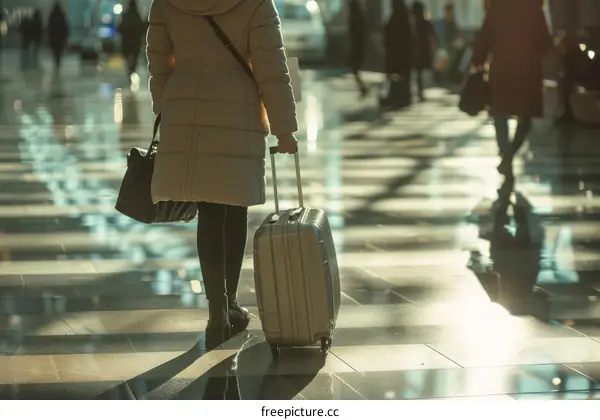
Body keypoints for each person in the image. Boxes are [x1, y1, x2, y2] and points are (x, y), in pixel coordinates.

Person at [146, 0, 298, 350]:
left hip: (187, 110)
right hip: (239, 110)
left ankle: (218, 308)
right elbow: (271, 68)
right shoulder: (256, 3)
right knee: (234, 203)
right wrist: (285, 130)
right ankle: (227, 305)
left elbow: (157, 60)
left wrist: (165, 102)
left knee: (210, 210)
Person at [472, 0, 552, 177]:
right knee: (526, 115)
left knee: (500, 112)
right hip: (527, 68)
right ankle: (509, 155)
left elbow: (485, 37)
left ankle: (505, 152)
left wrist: (478, 59)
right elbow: (544, 43)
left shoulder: (497, 6)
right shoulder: (533, 8)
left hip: (502, 66)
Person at [380, 0, 412, 109]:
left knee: (396, 77)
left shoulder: (394, 19)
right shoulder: (406, 18)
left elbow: (388, 38)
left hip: (396, 55)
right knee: (403, 77)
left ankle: (397, 98)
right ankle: (403, 98)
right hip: (405, 55)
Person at [411, 1, 436, 101]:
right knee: (419, 72)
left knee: (417, 72)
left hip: (415, 50)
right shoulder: (425, 22)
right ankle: (420, 92)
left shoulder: (412, 22)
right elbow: (432, 37)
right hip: (423, 50)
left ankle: (417, 92)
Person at [118, 0, 146, 78]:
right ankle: (132, 69)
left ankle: (130, 70)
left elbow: (120, 28)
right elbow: (142, 30)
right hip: (136, 42)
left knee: (127, 56)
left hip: (127, 42)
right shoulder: (138, 17)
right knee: (135, 57)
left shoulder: (125, 16)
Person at [348, 0, 369, 98]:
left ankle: (363, 87)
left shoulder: (355, 18)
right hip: (358, 45)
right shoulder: (358, 17)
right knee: (356, 68)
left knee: (355, 68)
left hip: (356, 45)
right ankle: (363, 87)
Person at [48, 1, 69, 71]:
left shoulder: (52, 16)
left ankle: (56, 63)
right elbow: (65, 28)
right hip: (60, 38)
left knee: (55, 52)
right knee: (59, 52)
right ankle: (58, 64)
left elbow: (49, 28)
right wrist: (66, 38)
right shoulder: (62, 16)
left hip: (53, 38)